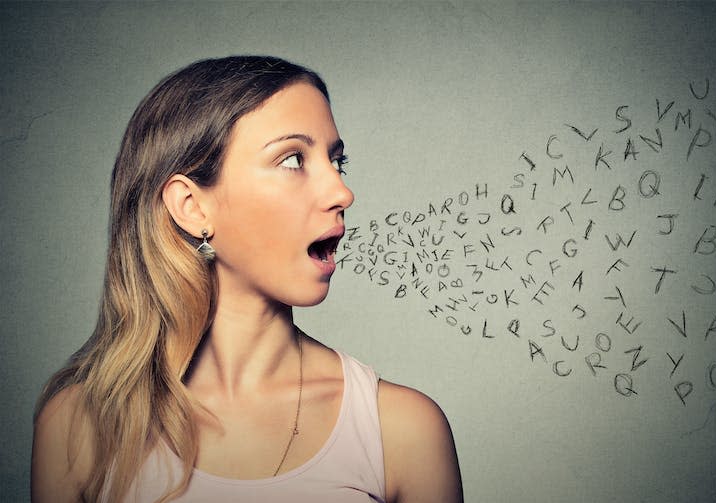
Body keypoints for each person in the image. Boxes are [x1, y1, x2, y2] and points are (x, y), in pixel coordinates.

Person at [31, 56, 463, 503]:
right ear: (193, 207)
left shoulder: (401, 431)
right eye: (293, 159)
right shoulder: (78, 428)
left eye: (338, 162)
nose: (342, 192)